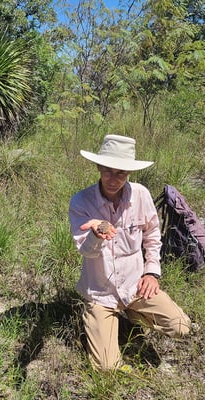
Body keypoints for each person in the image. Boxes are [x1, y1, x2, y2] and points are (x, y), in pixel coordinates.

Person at [69, 134, 191, 371]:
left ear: (129, 174)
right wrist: (96, 233)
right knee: (107, 368)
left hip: (135, 286)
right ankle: (99, 318)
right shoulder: (81, 201)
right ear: (98, 167)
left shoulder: (141, 195)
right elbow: (86, 251)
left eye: (121, 173)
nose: (113, 179)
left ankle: (134, 314)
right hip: (101, 292)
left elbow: (153, 235)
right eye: (108, 171)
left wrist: (152, 273)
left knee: (180, 326)